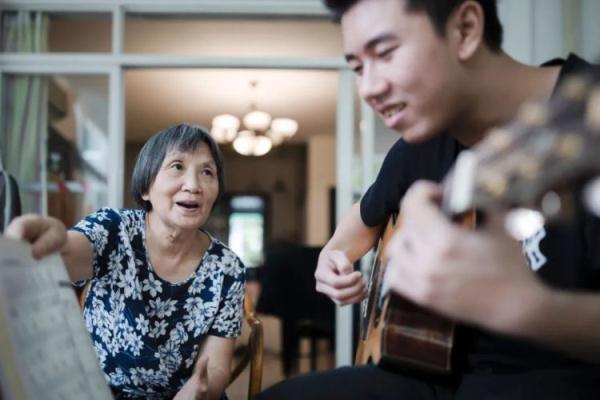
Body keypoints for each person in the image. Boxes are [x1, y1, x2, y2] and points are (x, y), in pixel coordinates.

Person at [258, 0, 600, 398]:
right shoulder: (419, 142)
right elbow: (365, 215)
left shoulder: (582, 117)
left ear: (466, 28)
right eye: (357, 66)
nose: (368, 88)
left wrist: (524, 306)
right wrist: (332, 254)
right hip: (429, 370)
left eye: (385, 53)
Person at [6, 124, 246, 400]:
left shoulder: (227, 267)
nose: (193, 185)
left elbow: (216, 366)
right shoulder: (114, 230)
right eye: (177, 166)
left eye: (207, 172)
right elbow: (68, 253)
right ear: (146, 187)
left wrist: (199, 391)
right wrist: (56, 240)